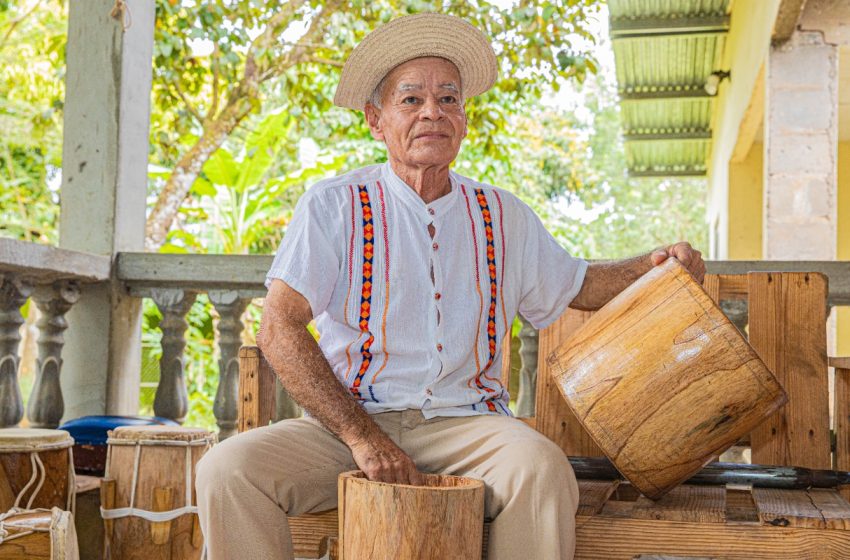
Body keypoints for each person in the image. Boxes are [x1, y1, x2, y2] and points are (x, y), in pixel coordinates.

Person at [195, 12, 706, 560]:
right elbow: (279, 326)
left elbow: (579, 282)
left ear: (463, 120)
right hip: (348, 424)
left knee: (540, 468)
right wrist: (363, 438)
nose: (432, 112)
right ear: (376, 119)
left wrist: (653, 264)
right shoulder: (334, 205)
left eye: (449, 99)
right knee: (227, 469)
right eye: (411, 99)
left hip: (470, 428)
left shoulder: (503, 215)